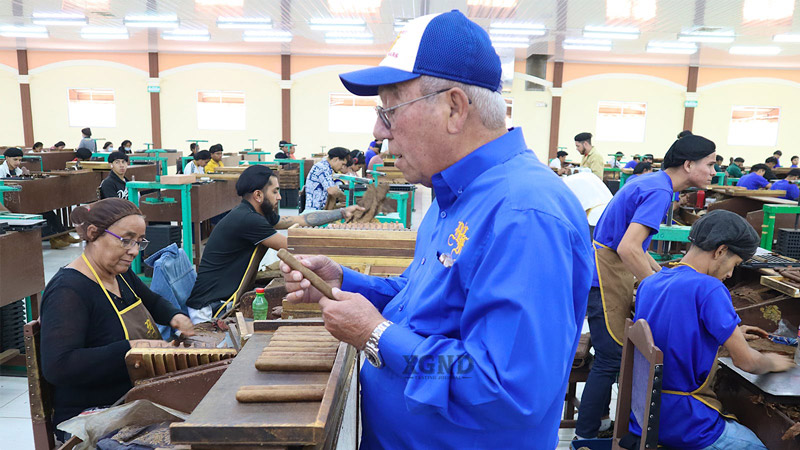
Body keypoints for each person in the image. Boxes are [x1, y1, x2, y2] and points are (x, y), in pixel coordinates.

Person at [283, 10, 594, 449]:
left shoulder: (525, 214)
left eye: (389, 110)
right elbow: (424, 303)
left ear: (453, 107)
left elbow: (506, 388)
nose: (376, 132)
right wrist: (346, 283)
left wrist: (376, 335)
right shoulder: (454, 196)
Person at [576, 134, 717, 439]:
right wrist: (661, 290)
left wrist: (661, 273)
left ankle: (598, 424)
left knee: (611, 356)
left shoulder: (651, 181)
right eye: (710, 164)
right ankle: (586, 436)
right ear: (689, 164)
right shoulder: (659, 192)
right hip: (604, 278)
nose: (713, 171)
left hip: (602, 273)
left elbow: (636, 249)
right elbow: (628, 249)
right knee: (611, 358)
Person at [632, 210, 793, 448]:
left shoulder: (651, 282)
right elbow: (747, 362)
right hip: (685, 422)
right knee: (760, 445)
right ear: (720, 251)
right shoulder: (709, 288)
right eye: (734, 264)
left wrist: (727, 334)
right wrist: (772, 362)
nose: (729, 274)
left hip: (645, 413)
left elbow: (673, 331)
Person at [40, 199, 195, 435]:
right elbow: (58, 366)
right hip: (91, 414)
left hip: (131, 396)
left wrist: (175, 316)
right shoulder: (68, 291)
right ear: (93, 234)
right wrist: (130, 349)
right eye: (126, 240)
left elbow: (152, 301)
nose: (133, 250)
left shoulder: (119, 274)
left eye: (139, 242)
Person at [186, 165, 363, 323]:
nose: (279, 197)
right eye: (275, 191)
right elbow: (293, 246)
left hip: (223, 300)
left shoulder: (257, 213)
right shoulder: (247, 219)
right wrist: (346, 245)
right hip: (208, 310)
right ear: (258, 195)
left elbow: (300, 219)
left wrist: (342, 212)